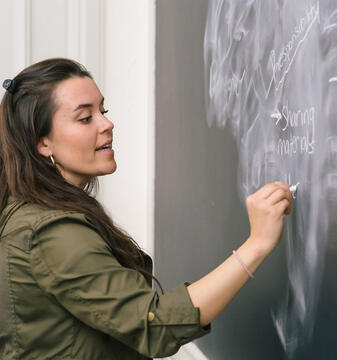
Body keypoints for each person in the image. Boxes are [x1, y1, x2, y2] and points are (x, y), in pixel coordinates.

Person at [0, 58, 292, 359]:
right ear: (42, 143)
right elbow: (156, 326)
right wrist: (256, 245)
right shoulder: (50, 234)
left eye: (103, 110)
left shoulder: (30, 210)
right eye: (85, 118)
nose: (107, 123)